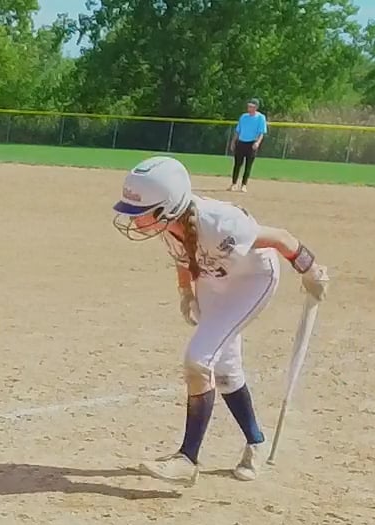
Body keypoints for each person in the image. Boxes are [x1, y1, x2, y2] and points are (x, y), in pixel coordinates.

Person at [111, 156, 327, 487]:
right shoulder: (167, 225)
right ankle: (256, 443)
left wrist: (311, 271)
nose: (133, 219)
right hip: (214, 276)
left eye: (140, 213)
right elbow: (183, 256)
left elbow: (282, 239)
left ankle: (187, 459)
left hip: (252, 279)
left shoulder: (221, 223)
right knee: (225, 369)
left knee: (199, 360)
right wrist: (186, 291)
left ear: (168, 209)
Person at [229, 99, 266, 192]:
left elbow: (261, 133)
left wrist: (257, 142)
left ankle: (244, 185)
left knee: (248, 165)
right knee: (237, 164)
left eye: (251, 107)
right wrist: (233, 142)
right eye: (249, 106)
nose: (249, 108)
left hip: (252, 143)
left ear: (256, 108)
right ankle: (234, 184)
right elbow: (238, 131)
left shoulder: (261, 118)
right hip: (241, 142)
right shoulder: (243, 117)